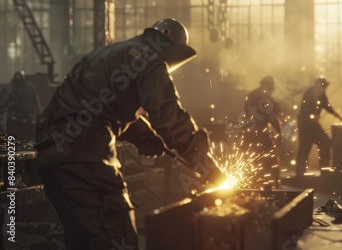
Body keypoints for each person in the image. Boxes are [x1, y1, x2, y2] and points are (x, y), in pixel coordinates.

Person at [34, 18, 225, 250]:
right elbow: (170, 116)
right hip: (86, 156)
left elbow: (102, 107)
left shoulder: (110, 53)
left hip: (52, 155)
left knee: (87, 240)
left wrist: (144, 136)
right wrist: (206, 164)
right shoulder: (150, 59)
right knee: (117, 236)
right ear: (168, 42)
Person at [295, 76, 342, 177]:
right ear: (323, 84)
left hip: (303, 122)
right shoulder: (319, 90)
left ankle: (299, 172)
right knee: (325, 142)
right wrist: (338, 116)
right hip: (310, 123)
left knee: (304, 145)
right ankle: (325, 170)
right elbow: (326, 105)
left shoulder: (310, 90)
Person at [242, 76, 283, 188]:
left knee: (252, 160)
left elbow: (246, 113)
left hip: (248, 133)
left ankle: (251, 186)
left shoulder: (251, 94)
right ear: (269, 85)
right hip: (261, 134)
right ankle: (275, 186)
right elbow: (271, 116)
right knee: (272, 162)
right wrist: (280, 132)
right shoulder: (266, 97)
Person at [0, 71, 42, 140]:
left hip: (17, 116)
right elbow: (36, 103)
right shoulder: (30, 86)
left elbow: (4, 103)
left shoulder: (13, 87)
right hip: (28, 115)